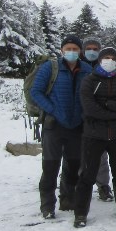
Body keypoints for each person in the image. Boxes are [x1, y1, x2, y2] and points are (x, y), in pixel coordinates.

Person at [73, 47, 116, 228]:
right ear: (100, 60)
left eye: (113, 58)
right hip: (93, 134)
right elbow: (89, 107)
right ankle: (80, 213)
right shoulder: (90, 81)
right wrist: (113, 112)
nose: (109, 61)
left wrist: (109, 104)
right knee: (87, 175)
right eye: (106, 57)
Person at [30, 35, 92, 219]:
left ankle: (67, 198)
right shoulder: (50, 67)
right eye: (68, 48)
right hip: (54, 125)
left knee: (73, 165)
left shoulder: (87, 70)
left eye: (75, 49)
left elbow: (90, 95)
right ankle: (47, 205)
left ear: (80, 51)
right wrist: (52, 110)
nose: (71, 52)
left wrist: (84, 114)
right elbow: (36, 92)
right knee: (50, 166)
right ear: (62, 50)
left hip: (77, 125)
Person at [69, 37, 114, 202]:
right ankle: (76, 185)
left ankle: (103, 186)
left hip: (98, 120)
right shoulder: (76, 67)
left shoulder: (107, 68)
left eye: (96, 49)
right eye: (89, 48)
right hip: (76, 119)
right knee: (75, 154)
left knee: (101, 156)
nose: (92, 51)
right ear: (83, 50)